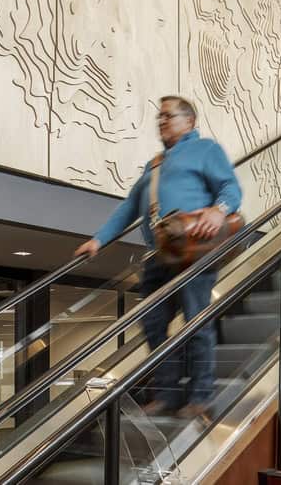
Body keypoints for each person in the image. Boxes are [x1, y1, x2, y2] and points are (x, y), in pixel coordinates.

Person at [75, 96, 241, 419]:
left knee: (196, 322)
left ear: (189, 121)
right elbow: (128, 208)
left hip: (194, 250)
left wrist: (219, 212)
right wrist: (98, 240)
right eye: (159, 117)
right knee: (152, 323)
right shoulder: (155, 165)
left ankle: (201, 397)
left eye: (168, 116)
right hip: (159, 255)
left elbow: (231, 189)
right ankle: (166, 394)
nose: (161, 122)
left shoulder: (206, 150)